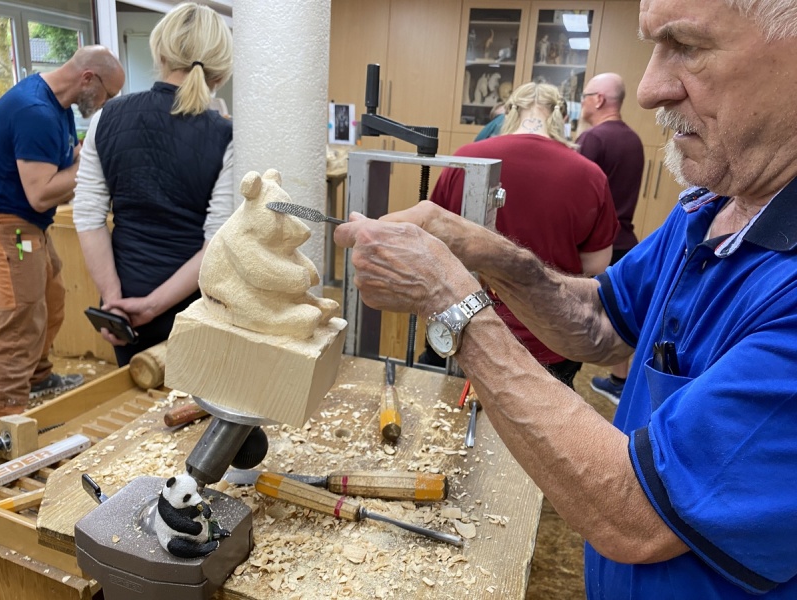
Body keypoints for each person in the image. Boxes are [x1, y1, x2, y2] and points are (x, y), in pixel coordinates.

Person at [334, 0, 797, 597]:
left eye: (687, 46)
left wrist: (451, 300)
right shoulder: (712, 207)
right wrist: (486, 251)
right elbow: (599, 320)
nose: (649, 89)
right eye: (654, 47)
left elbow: (635, 515)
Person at [424, 82, 618, 388]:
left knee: (446, 410)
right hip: (549, 335)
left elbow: (434, 238)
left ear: (509, 112)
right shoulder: (590, 174)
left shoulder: (467, 158)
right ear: (561, 117)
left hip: (463, 325)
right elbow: (596, 266)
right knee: (542, 415)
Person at [73, 2, 234, 367]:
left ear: (160, 53)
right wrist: (151, 306)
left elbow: (88, 216)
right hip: (195, 307)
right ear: (222, 70)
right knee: (194, 401)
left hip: (123, 309)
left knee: (137, 399)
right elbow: (218, 243)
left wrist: (113, 298)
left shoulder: (106, 118)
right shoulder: (226, 135)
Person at [0, 46, 125, 416]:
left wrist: (88, 158)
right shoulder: (35, 111)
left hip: (31, 227)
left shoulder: (60, 110)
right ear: (88, 79)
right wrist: (92, 163)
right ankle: (7, 416)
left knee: (51, 299)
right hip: (11, 228)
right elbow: (40, 194)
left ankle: (38, 378)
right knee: (20, 318)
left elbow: (66, 165)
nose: (105, 104)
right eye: (107, 95)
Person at [576, 73, 645, 404]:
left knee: (579, 315)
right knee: (619, 315)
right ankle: (620, 381)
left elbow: (575, 196)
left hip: (596, 247)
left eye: (584, 96)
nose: (582, 103)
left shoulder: (593, 139)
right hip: (625, 243)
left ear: (599, 99)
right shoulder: (633, 140)